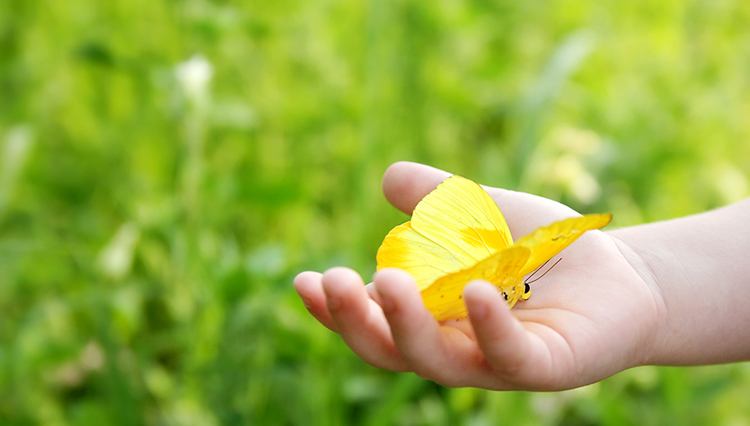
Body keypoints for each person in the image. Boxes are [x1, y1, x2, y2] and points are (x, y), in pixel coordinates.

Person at [293, 161, 750, 391]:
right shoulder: (513, 273)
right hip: (447, 286)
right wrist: (648, 277)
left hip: (442, 277)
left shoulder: (515, 273)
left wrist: (650, 285)